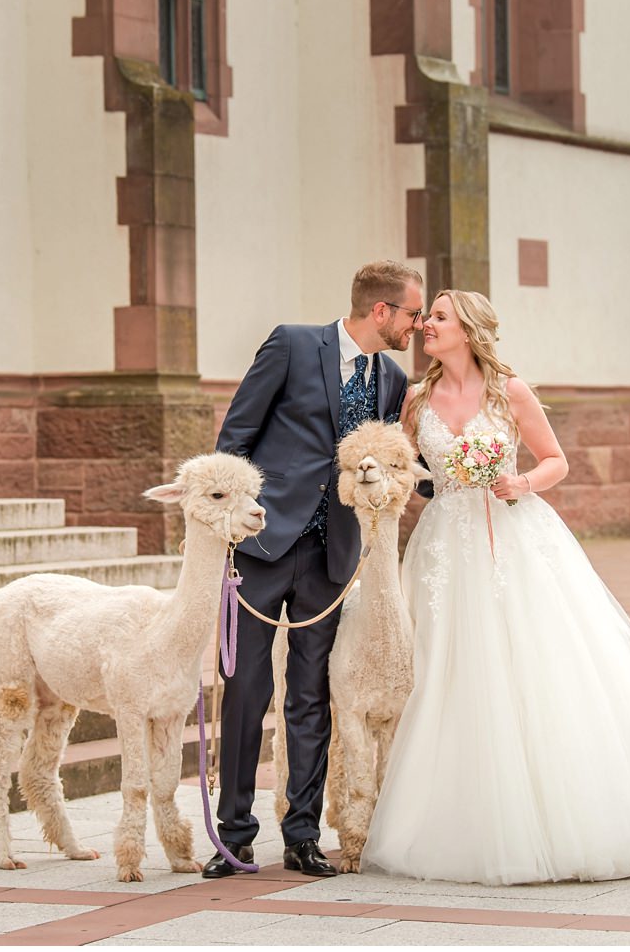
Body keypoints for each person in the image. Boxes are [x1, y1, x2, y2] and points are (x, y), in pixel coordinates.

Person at [361, 289, 630, 886]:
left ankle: (572, 813)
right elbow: (409, 470)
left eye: (438, 317)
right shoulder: (415, 399)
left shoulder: (509, 391)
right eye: (426, 316)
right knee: (442, 666)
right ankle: (454, 815)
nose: (426, 325)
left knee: (533, 659)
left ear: (469, 330)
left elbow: (556, 460)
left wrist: (521, 481)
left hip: (511, 533)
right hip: (442, 546)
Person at [205, 260, 425, 878]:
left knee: (310, 697)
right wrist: (227, 521)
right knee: (248, 690)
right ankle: (235, 835)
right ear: (380, 311)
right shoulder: (294, 343)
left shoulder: (393, 378)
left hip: (332, 557)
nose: (416, 324)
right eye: (412, 312)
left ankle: (301, 835)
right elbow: (236, 435)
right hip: (261, 547)